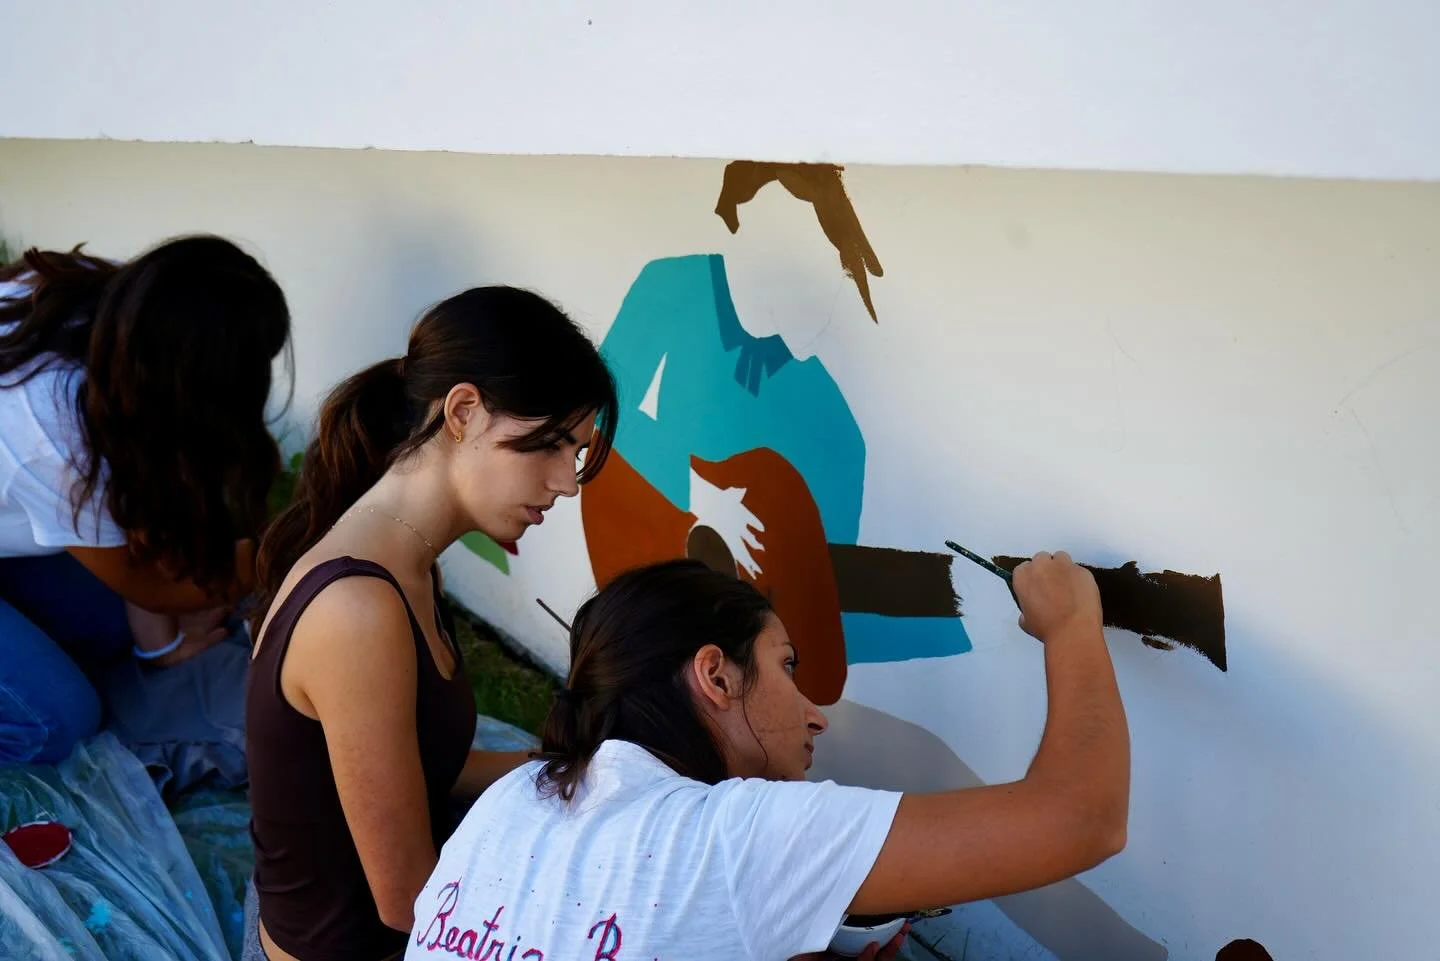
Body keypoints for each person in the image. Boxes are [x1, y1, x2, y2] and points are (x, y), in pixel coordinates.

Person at [408, 552, 1130, 961]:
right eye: (787, 666)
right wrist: (1071, 623)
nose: (814, 712)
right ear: (716, 675)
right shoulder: (736, 832)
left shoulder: (517, 794)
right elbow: (1084, 818)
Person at [245, 285, 618, 961]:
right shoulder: (359, 609)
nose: (568, 482)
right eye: (554, 445)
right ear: (465, 411)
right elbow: (410, 900)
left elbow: (428, 767)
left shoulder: (408, 561)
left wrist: (582, 772)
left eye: (579, 452)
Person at [0, 235, 291, 766]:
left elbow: (148, 524)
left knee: (115, 624)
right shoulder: (51, 428)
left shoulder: (126, 305)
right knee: (56, 719)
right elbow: (153, 583)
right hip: (31, 470)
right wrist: (297, 557)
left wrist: (163, 644)